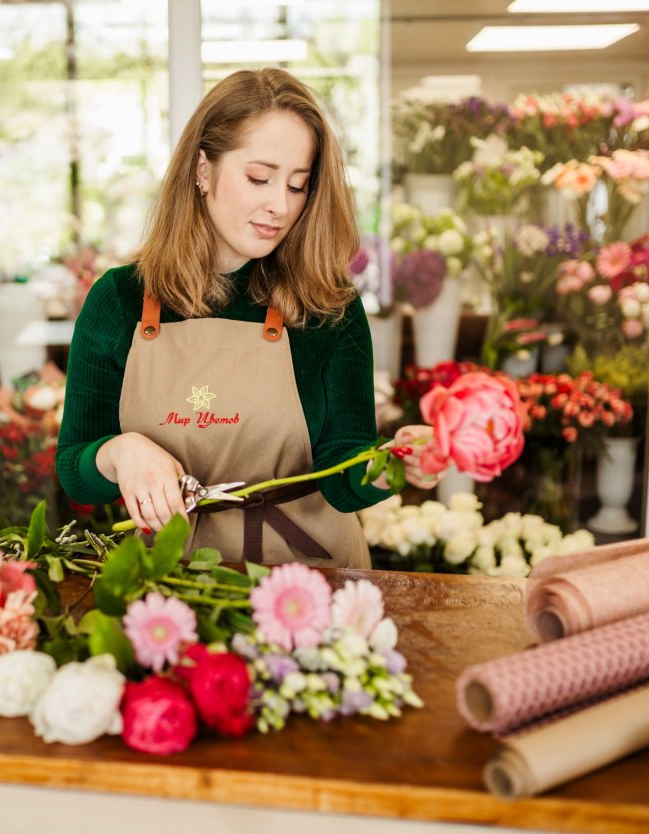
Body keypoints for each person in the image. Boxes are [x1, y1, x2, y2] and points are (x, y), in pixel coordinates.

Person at [56, 68, 428, 568]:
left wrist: (398, 464)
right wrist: (121, 452)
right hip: (169, 580)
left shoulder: (327, 306)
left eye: (298, 186)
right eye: (259, 178)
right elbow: (75, 468)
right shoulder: (120, 299)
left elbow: (343, 475)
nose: (279, 205)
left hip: (308, 579)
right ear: (202, 170)